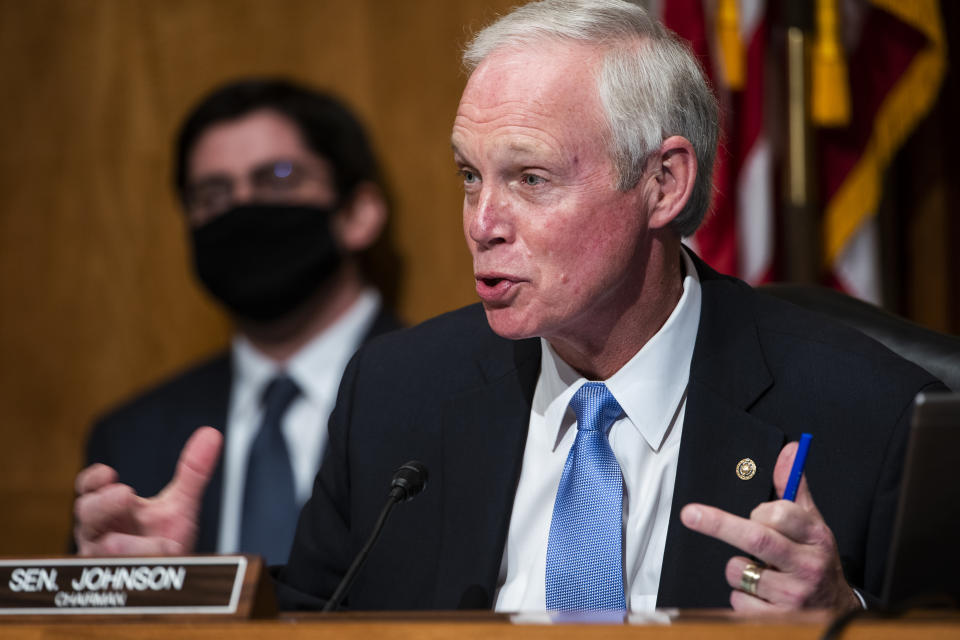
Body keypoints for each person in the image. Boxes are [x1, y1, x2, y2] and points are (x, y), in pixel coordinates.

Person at [74, 1, 942, 613]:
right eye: (469, 177)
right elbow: (314, 621)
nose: (483, 224)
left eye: (531, 179)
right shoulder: (398, 393)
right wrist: (180, 600)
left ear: (663, 183)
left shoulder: (865, 408)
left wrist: (841, 612)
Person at [74, 79, 402, 565]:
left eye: (279, 177)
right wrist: (121, 589)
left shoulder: (464, 399)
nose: (243, 208)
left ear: (358, 212)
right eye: (212, 194)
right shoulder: (129, 438)